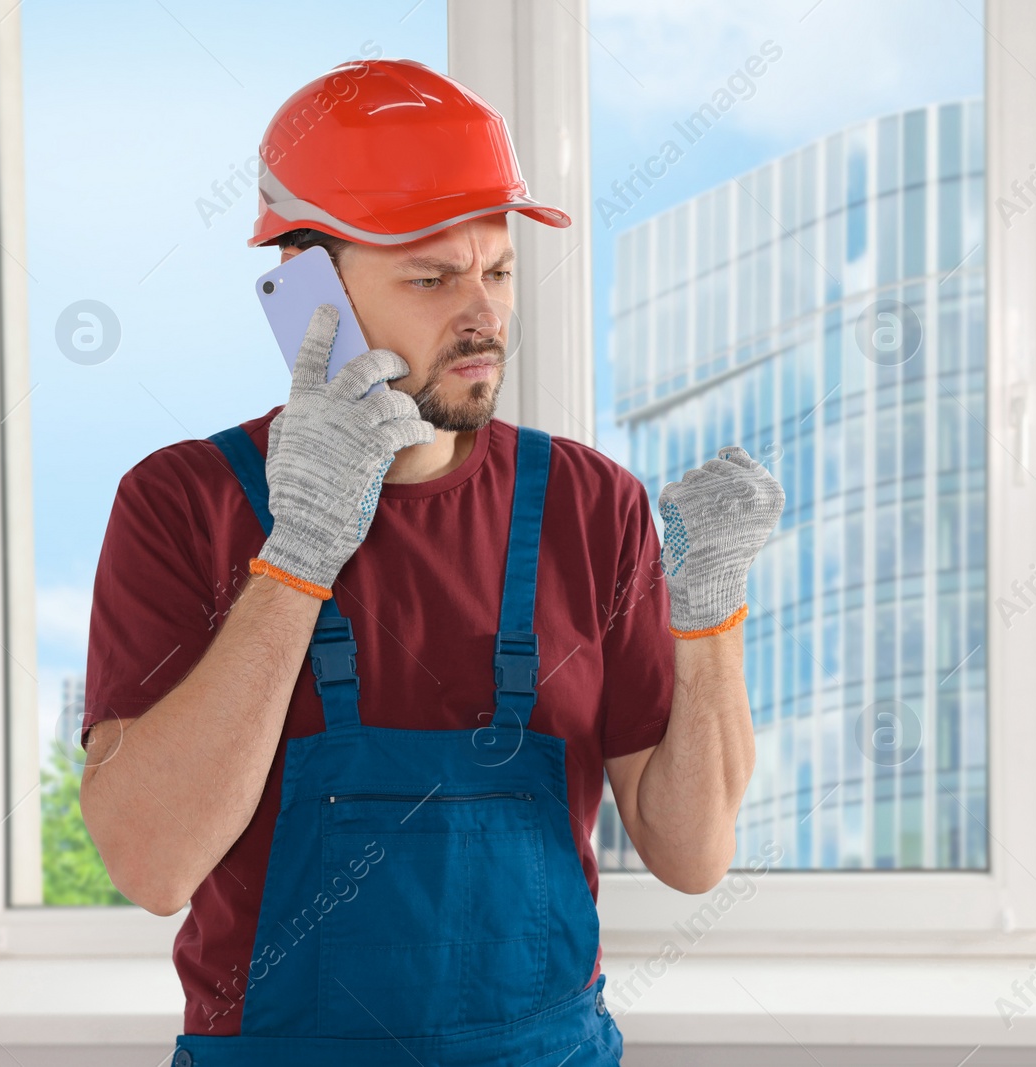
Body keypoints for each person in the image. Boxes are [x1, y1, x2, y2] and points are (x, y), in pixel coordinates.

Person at [76, 59, 784, 1066]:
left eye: (495, 271)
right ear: (304, 291)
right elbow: (151, 865)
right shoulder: (184, 502)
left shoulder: (591, 505)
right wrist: (297, 554)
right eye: (429, 277)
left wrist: (708, 612)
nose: (485, 316)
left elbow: (690, 854)